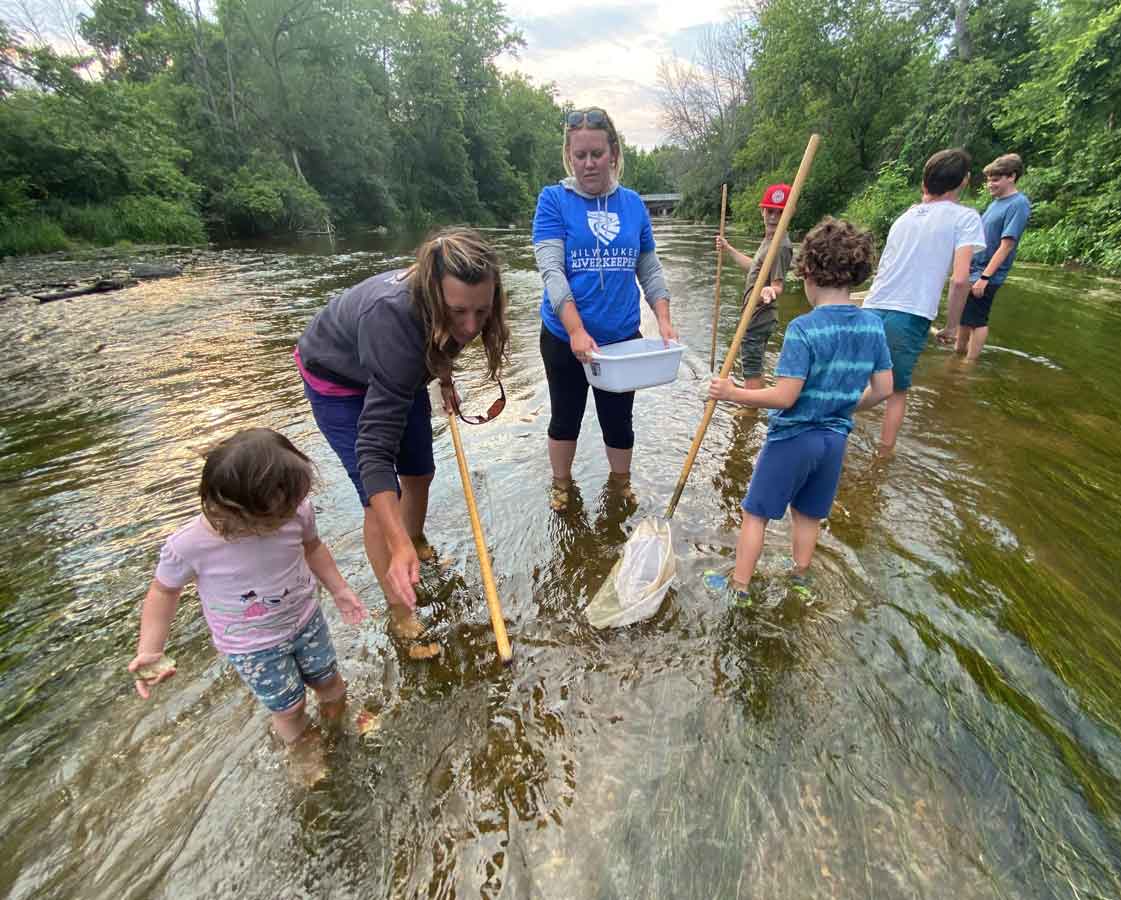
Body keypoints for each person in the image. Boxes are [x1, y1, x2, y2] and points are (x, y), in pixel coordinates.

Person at [295, 228, 509, 638]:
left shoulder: (460, 305)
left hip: (399, 370)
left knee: (420, 471)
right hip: (338, 380)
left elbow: (441, 341)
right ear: (432, 295)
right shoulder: (391, 318)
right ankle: (401, 610)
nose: (469, 327)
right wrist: (394, 541)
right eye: (458, 312)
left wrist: (444, 377)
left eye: (481, 313)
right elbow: (373, 452)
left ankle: (413, 539)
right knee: (380, 502)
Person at [127, 428, 366, 753]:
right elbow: (163, 593)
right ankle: (302, 751)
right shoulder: (189, 546)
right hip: (252, 646)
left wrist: (339, 589)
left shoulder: (297, 512)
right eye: (282, 509)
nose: (292, 512)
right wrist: (151, 648)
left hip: (306, 621)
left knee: (330, 683)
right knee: (288, 708)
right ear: (238, 510)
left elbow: (313, 548)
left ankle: (339, 729)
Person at [703, 218, 893, 604]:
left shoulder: (804, 329)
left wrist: (733, 392)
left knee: (756, 513)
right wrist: (843, 404)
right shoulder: (872, 324)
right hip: (835, 439)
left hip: (794, 437)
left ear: (807, 274)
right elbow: (884, 389)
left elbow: (785, 397)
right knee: (808, 514)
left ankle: (739, 586)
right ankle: (801, 580)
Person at [532, 106, 677, 510]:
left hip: (620, 339)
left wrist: (664, 320)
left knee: (619, 420)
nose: (589, 163)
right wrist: (576, 329)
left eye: (596, 153)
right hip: (565, 336)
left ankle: (621, 485)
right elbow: (551, 271)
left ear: (613, 152)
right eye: (580, 155)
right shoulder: (553, 201)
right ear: (569, 156)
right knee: (565, 416)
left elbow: (648, 267)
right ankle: (562, 485)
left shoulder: (632, 205)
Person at [862, 148, 985, 451]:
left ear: (925, 181)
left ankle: (832, 420)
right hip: (910, 314)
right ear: (964, 181)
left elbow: (885, 267)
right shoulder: (965, 217)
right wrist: (952, 327)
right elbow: (959, 280)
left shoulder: (905, 217)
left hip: (872, 306)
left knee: (862, 378)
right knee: (896, 392)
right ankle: (882, 459)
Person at [952, 153, 1032, 360]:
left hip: (988, 274)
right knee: (965, 315)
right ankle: (957, 354)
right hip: (975, 269)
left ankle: (968, 366)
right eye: (988, 179)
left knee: (977, 318)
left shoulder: (1019, 204)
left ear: (1012, 177)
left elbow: (1006, 245)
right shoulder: (995, 203)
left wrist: (985, 278)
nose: (990, 184)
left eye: (995, 179)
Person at [715, 183, 793, 390]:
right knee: (755, 365)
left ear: (789, 213)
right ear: (762, 212)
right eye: (770, 211)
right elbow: (755, 269)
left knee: (750, 368)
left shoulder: (781, 245)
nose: (774, 217)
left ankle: (749, 412)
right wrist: (729, 249)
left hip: (759, 314)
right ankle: (755, 401)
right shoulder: (770, 239)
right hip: (757, 314)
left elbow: (777, 286)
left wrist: (769, 291)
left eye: (780, 212)